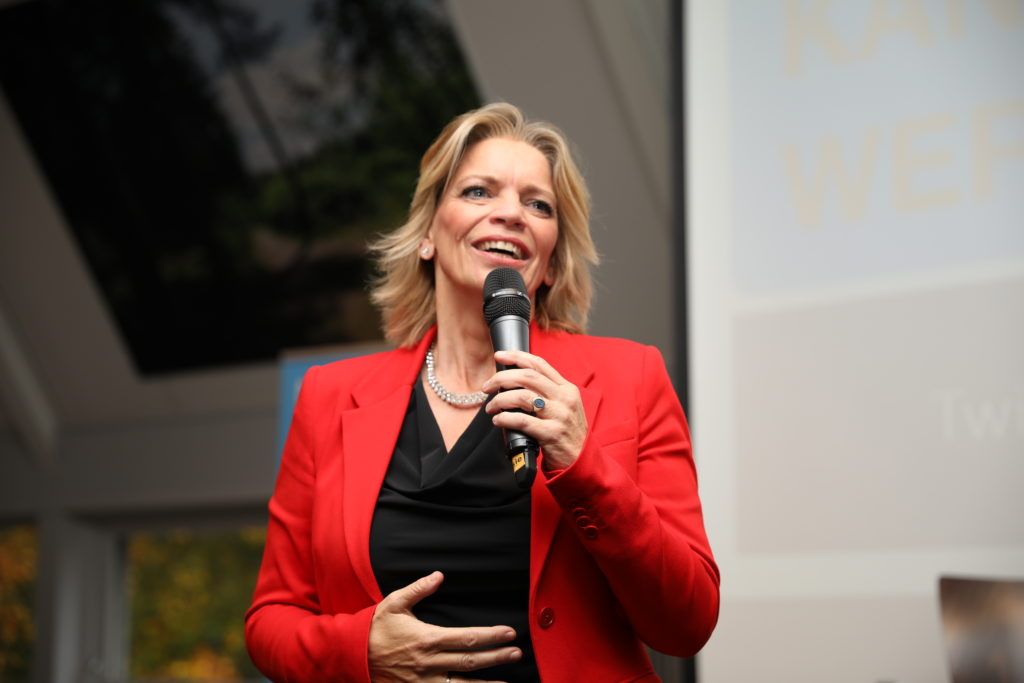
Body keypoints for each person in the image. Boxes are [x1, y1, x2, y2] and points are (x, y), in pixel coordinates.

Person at [245, 103, 719, 683]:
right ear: (427, 235)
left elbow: (688, 621)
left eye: (538, 205)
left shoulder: (631, 377)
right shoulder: (331, 395)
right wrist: (359, 650)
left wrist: (584, 463)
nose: (511, 213)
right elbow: (271, 620)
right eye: (478, 192)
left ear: (550, 261)